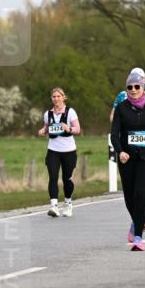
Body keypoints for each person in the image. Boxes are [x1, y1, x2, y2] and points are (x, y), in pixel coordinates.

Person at [110, 72, 145, 251]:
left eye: (137, 87)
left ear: (143, 88)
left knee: (141, 192)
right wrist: (120, 152)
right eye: (130, 87)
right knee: (129, 194)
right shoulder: (122, 108)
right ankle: (136, 222)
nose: (133, 90)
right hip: (127, 157)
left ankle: (138, 237)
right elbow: (114, 134)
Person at [111, 68, 145, 203]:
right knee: (134, 184)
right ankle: (140, 216)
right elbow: (113, 116)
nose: (133, 88)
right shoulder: (122, 95)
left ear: (144, 81)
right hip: (129, 141)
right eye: (131, 83)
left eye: (140, 80)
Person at [39, 87, 81, 217]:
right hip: (53, 150)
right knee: (53, 177)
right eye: (54, 97)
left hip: (69, 151)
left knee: (67, 179)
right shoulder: (48, 114)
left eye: (58, 96)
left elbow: (78, 129)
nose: (56, 99)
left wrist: (68, 128)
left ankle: (68, 204)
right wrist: (42, 131)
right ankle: (54, 206)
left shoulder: (70, 112)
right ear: (51, 99)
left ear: (63, 97)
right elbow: (46, 128)